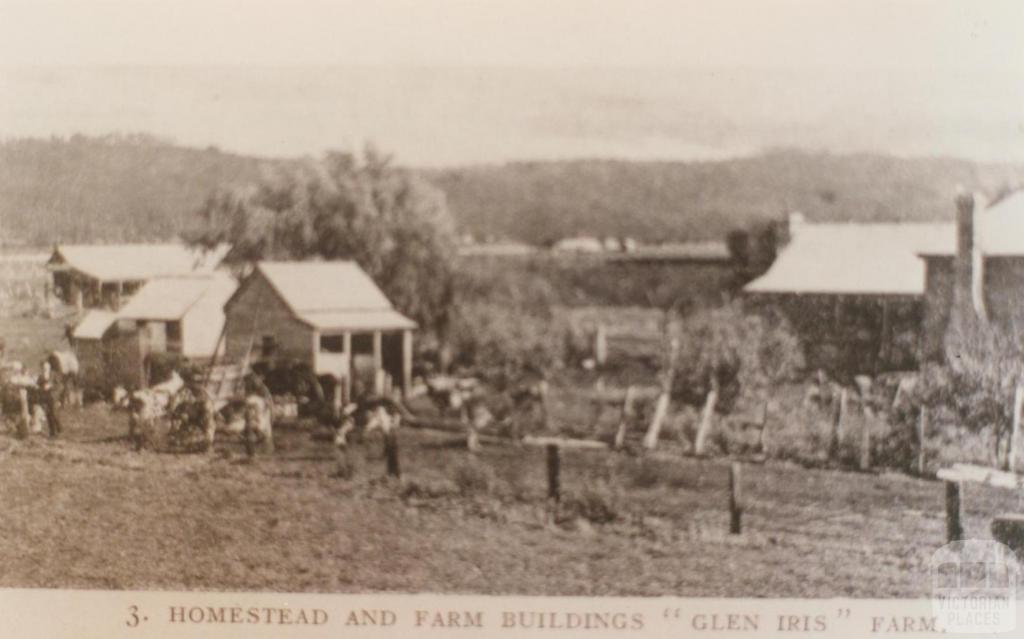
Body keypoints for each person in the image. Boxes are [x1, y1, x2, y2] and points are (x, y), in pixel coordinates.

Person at [37, 360, 63, 438]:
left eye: (47, 367)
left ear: (49, 367)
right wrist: (41, 388)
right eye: (44, 367)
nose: (45, 368)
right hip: (45, 398)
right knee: (48, 415)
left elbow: (60, 386)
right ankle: (52, 433)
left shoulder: (54, 374)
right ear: (42, 368)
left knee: (54, 413)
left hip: (53, 397)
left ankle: (59, 427)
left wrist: (51, 386)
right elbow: (38, 386)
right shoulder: (40, 376)